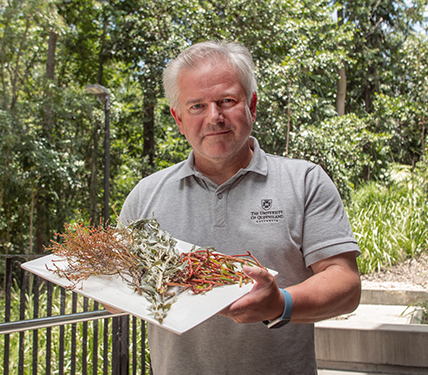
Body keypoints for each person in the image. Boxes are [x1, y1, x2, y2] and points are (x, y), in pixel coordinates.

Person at [114, 40, 361, 375]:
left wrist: (280, 304)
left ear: (252, 106)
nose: (214, 117)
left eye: (227, 101)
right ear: (178, 118)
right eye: (197, 106)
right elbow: (118, 290)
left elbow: (345, 284)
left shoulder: (305, 181)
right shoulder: (146, 196)